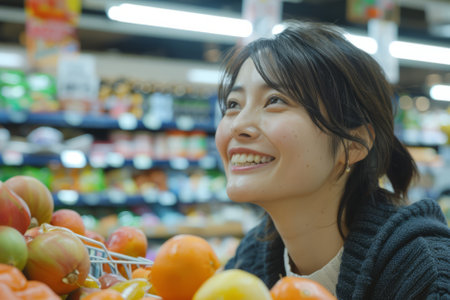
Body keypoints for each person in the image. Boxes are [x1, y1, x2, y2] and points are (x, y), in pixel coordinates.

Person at [214, 20, 450, 299]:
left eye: (275, 100)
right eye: (233, 105)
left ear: (353, 144)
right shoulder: (250, 260)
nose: (238, 125)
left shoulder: (424, 274)